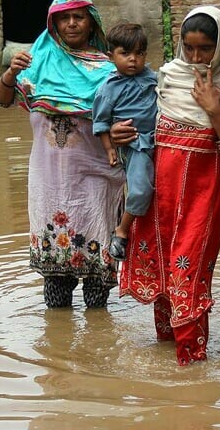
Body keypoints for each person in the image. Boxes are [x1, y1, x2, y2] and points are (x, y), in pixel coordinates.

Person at [110, 6, 220, 365]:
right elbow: (142, 129)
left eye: (205, 48)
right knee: (163, 280)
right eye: (189, 47)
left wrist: (215, 111)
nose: (196, 57)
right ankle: (173, 376)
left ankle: (192, 368)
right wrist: (117, 134)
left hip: (200, 202)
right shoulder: (167, 78)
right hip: (157, 198)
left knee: (186, 279)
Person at [0, 0, 125, 309]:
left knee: (97, 284)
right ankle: (59, 349)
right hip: (49, 183)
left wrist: (121, 131)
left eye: (78, 16)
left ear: (92, 22)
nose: (71, 23)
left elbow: (129, 118)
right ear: (53, 24)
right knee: (56, 290)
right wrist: (11, 74)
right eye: (64, 18)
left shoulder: (110, 70)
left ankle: (98, 343)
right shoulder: (36, 65)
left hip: (96, 177)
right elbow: (1, 99)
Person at [91, 23, 157, 261]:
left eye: (139, 54)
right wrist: (110, 150)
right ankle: (122, 230)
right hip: (135, 144)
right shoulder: (109, 88)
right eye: (125, 54)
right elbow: (99, 123)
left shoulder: (153, 78)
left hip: (159, 142)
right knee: (140, 190)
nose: (133, 60)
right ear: (111, 56)